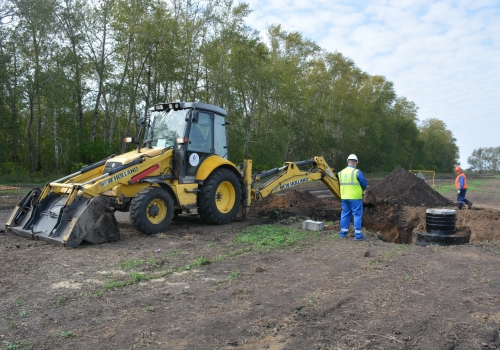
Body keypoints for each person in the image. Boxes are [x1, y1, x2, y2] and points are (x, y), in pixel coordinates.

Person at [338, 154, 368, 240]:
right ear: (355, 163)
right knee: (357, 215)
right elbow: (364, 184)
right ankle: (358, 235)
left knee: (345, 214)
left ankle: (343, 234)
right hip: (355, 198)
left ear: (348, 162)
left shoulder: (341, 173)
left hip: (344, 197)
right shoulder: (357, 172)